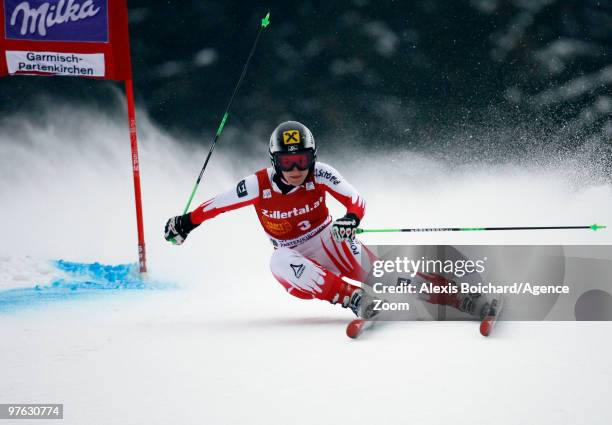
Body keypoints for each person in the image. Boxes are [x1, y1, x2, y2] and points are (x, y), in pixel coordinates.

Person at [164, 121, 378, 318]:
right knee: (278, 260)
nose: (296, 170)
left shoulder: (321, 173)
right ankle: (354, 298)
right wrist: (187, 223)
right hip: (295, 262)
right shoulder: (257, 185)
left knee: (349, 246)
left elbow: (355, 199)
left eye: (302, 160)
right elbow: (219, 203)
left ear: (313, 157)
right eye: (287, 162)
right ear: (274, 161)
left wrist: (351, 219)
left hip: (327, 242)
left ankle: (403, 283)